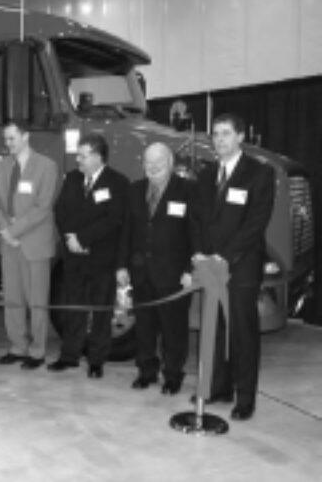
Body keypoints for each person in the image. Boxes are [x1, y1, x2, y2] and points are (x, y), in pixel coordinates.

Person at [189, 113, 275, 421]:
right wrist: (199, 252)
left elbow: (255, 223)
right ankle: (218, 387)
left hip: (240, 267)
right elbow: (197, 218)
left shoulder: (259, 174)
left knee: (242, 332)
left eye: (225, 134)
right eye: (215, 134)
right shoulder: (206, 173)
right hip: (211, 266)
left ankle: (245, 397)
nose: (219, 140)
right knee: (214, 328)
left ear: (240, 137)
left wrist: (225, 256)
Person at [117, 143, 194, 394]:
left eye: (158, 162)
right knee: (144, 328)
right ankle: (146, 371)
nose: (153, 167)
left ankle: (173, 375)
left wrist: (190, 269)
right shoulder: (135, 189)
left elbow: (196, 233)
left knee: (174, 329)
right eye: (148, 162)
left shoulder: (187, 190)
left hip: (173, 275)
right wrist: (121, 265)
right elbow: (126, 230)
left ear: (170, 162)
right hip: (141, 274)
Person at [51, 133, 129, 378]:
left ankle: (96, 360)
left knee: (101, 312)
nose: (78, 160)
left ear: (97, 156)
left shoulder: (117, 182)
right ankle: (69, 355)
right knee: (74, 309)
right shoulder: (72, 179)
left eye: (83, 155)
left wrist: (83, 239)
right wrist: (70, 239)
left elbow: (113, 220)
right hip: (74, 258)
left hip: (101, 259)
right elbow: (60, 211)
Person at [0, 122, 58, 370]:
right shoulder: (3, 165)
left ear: (26, 136)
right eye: (6, 139)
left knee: (37, 301)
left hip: (34, 244)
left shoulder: (46, 166)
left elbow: (43, 207)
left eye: (12, 139)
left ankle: (37, 351)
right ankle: (17, 346)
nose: (8, 144)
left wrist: (14, 231)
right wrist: (5, 231)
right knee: (13, 299)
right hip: (9, 244)